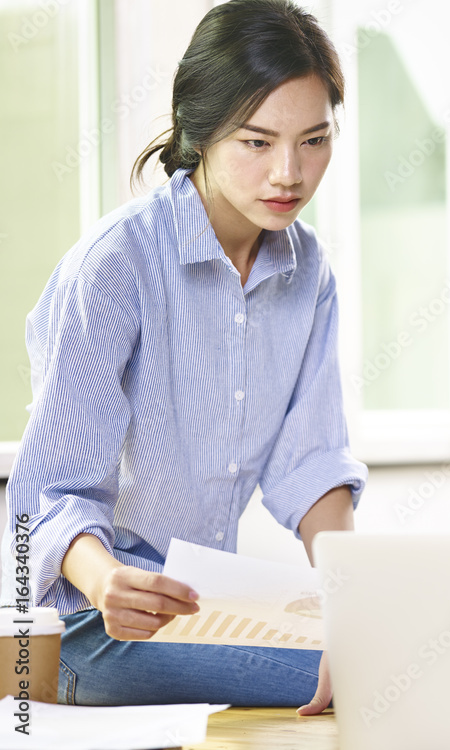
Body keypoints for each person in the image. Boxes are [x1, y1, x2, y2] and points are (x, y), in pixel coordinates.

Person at [0, 0, 365, 712]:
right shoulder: (117, 265)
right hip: (82, 627)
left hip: (201, 606)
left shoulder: (308, 272)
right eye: (256, 142)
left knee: (391, 641)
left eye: (313, 140)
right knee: (385, 669)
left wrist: (352, 600)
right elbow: (48, 499)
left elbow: (312, 463)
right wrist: (106, 582)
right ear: (199, 131)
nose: (288, 172)